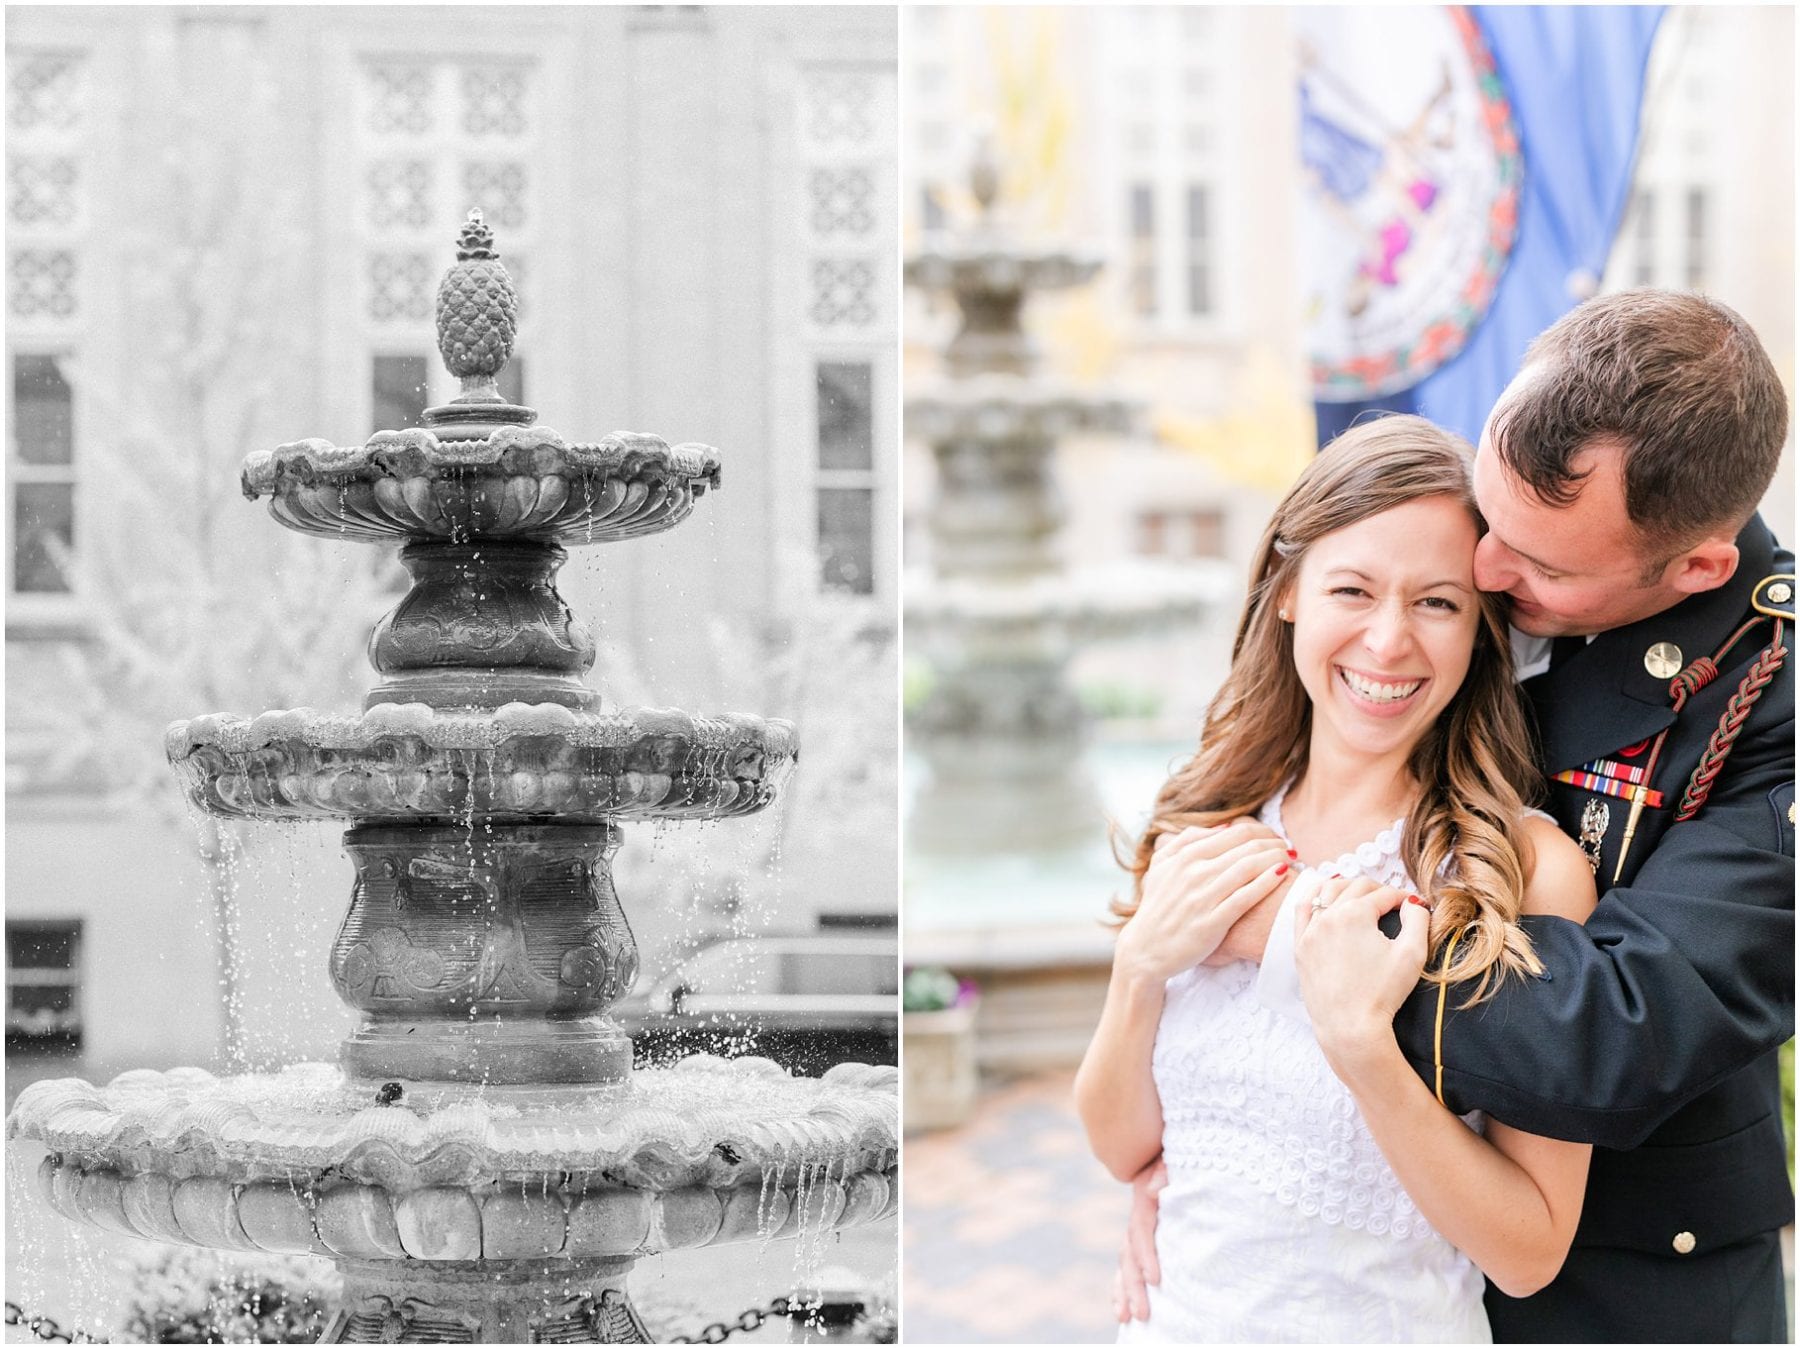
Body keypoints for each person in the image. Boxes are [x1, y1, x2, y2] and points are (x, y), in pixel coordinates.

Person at [1114, 290, 1794, 1342]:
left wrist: (1254, 925)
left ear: (1696, 567)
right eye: (1491, 509)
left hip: (1629, 1277)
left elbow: (1616, 1026)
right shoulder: (1508, 522)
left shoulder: (1771, 691)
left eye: (1539, 569)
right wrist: (1215, 1150)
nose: (1482, 572)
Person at [1075, 415, 1599, 1341]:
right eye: (1352, 589)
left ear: (1481, 630)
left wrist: (1364, 1051)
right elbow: (1126, 1149)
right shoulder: (1206, 817)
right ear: (1286, 592)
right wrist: (1139, 969)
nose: (1388, 641)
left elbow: (1528, 1253)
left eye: (1436, 602)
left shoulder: (1520, 869)